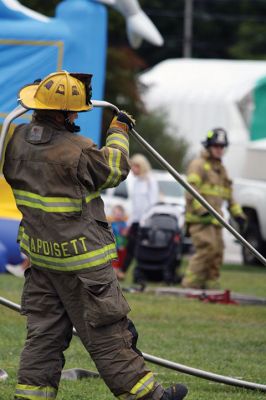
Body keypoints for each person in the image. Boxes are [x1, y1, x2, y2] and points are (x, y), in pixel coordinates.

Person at [3, 71, 188, 400]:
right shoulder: (78, 150)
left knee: (43, 337)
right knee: (108, 335)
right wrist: (118, 131)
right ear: (66, 114)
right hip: (85, 268)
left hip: (42, 262)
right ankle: (151, 398)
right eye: (75, 111)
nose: (77, 116)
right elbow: (115, 167)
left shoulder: (12, 140)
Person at [182, 128, 246, 290]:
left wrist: (238, 214)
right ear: (209, 146)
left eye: (222, 146)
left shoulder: (221, 170)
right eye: (216, 146)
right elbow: (191, 189)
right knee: (206, 249)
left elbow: (229, 194)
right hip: (199, 219)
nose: (220, 149)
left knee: (218, 252)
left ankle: (211, 286)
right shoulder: (198, 165)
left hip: (216, 220)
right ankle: (190, 284)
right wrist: (202, 210)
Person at [117, 154, 159, 280]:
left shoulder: (150, 181)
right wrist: (129, 224)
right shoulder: (136, 182)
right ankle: (122, 272)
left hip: (146, 222)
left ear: (142, 166)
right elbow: (135, 206)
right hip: (136, 221)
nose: (133, 169)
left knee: (140, 250)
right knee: (130, 247)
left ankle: (134, 273)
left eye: (135, 166)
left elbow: (153, 203)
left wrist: (144, 221)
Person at [111, 204, 128, 273]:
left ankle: (118, 270)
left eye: (119, 214)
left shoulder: (124, 224)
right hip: (115, 246)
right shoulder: (112, 224)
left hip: (123, 245)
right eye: (116, 213)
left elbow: (125, 234)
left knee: (122, 259)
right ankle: (114, 270)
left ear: (122, 215)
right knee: (115, 260)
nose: (118, 215)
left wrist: (126, 233)